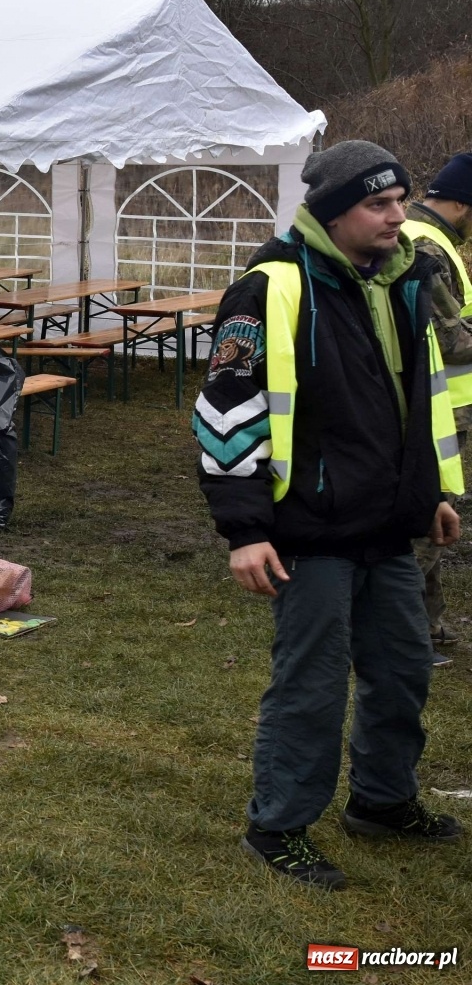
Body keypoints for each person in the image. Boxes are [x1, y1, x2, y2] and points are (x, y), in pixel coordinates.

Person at [193, 140, 464, 891]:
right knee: (311, 685)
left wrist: (436, 491)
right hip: (307, 533)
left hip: (388, 527)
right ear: (334, 210)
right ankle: (277, 825)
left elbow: (423, 399)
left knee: (404, 670)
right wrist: (245, 530)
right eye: (378, 203)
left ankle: (381, 800)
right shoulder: (268, 289)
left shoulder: (404, 281)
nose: (397, 216)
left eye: (401, 200)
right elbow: (225, 415)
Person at [403, 152, 472, 662]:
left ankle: (429, 625)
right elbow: (451, 340)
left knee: (437, 515)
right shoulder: (427, 244)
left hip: (441, 406)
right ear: (463, 206)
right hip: (434, 409)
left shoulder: (420, 235)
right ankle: (405, 635)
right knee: (428, 520)